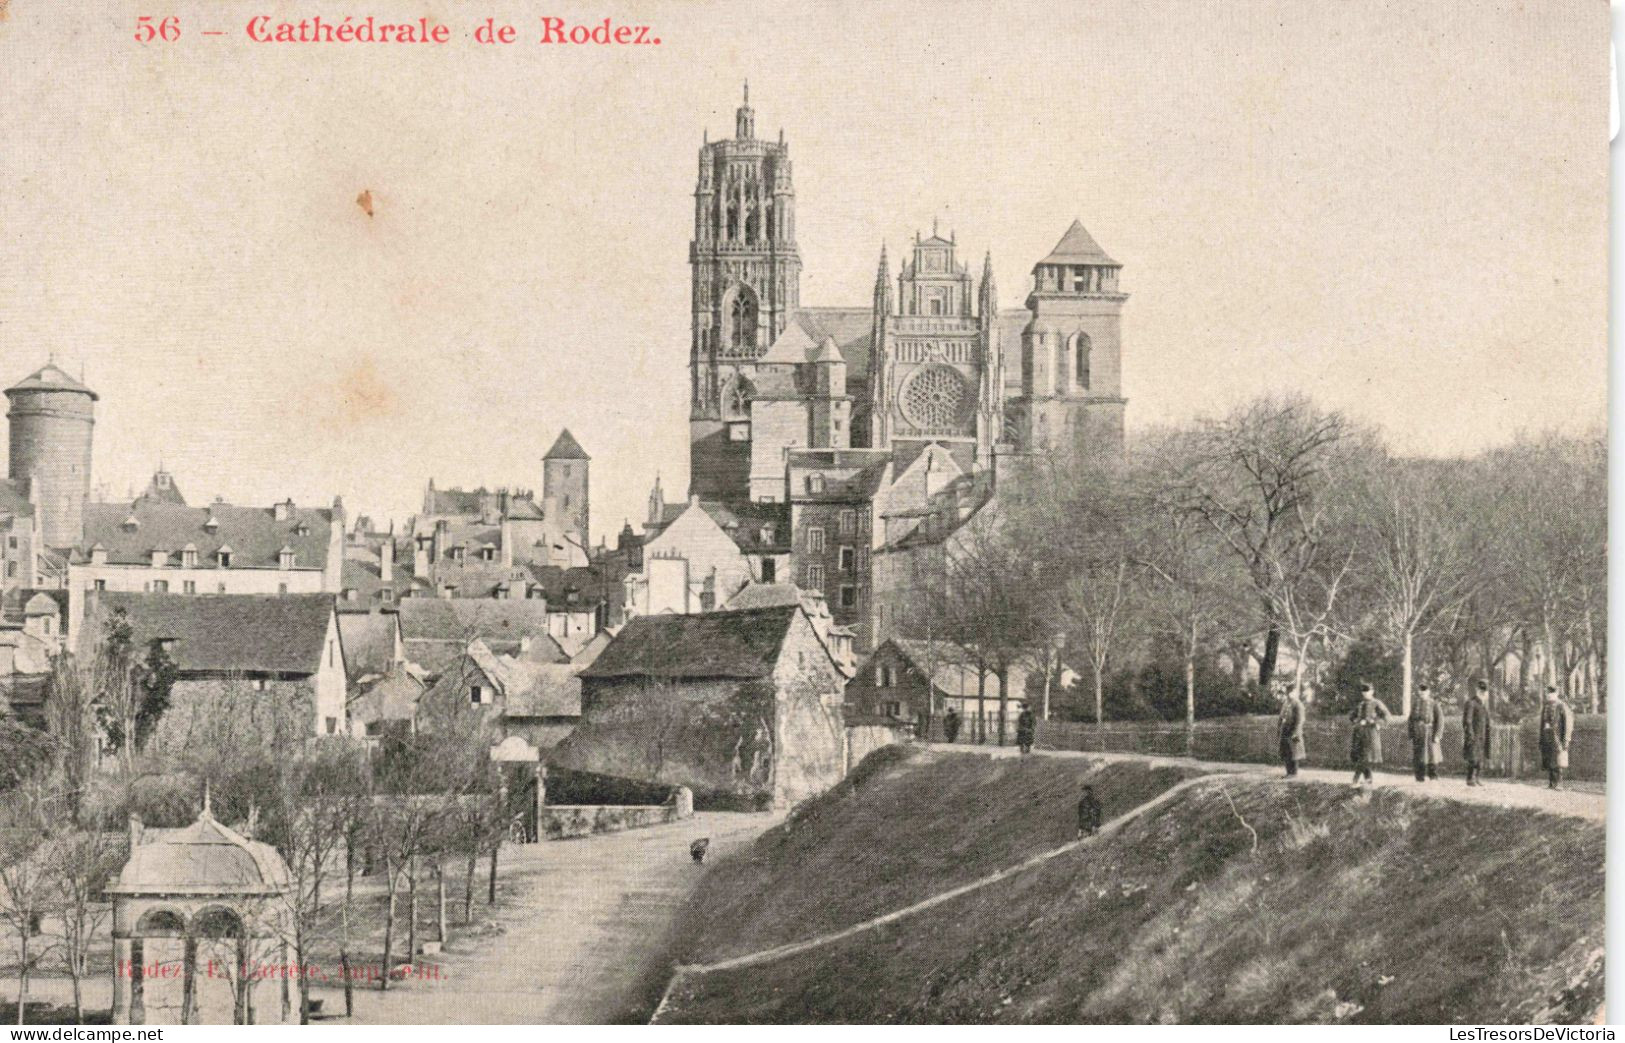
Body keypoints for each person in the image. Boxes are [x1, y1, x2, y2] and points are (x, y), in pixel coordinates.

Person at [1348, 682, 1394, 787]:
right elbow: (1352, 717)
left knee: (1364, 757)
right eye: (1363, 692)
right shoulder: (1360, 704)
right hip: (1359, 734)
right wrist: (1357, 722)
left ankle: (1355, 780)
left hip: (1370, 734)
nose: (1365, 694)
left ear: (1372, 692)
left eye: (1367, 691)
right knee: (1361, 757)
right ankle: (1368, 780)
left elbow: (1387, 717)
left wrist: (1374, 722)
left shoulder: (1377, 703)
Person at [1538, 684, 1574, 790]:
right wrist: (1541, 738)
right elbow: (1542, 723)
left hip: (1557, 737)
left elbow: (1568, 724)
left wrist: (1566, 739)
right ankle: (1551, 782)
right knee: (1549, 759)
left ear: (1556, 694)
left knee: (1558, 759)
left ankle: (1559, 783)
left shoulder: (1562, 706)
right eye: (1548, 693)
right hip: (1546, 736)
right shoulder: (1545, 706)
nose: (1549, 695)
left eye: (1552, 693)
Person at [1407, 682, 1445, 782]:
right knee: (1419, 756)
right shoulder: (1415, 704)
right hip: (1418, 733)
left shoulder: (1434, 704)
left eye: (1425, 691)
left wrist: (1437, 735)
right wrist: (1411, 733)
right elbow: (1410, 719)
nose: (1422, 693)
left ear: (1428, 692)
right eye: (1421, 691)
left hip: (1430, 733)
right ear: (1419, 692)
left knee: (1432, 755)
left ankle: (1433, 776)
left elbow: (1440, 720)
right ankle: (1419, 777)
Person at [1462, 679, 1491, 787]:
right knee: (1473, 758)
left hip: (1483, 736)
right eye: (1481, 690)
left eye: (1485, 691)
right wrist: (1470, 735)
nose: (1483, 693)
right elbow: (1467, 721)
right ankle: (1470, 778)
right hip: (1474, 736)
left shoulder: (1484, 705)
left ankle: (1477, 777)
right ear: (1477, 690)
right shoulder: (1471, 703)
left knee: (1480, 758)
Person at [1277, 681, 1306, 777]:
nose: (1289, 694)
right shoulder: (1286, 703)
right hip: (1285, 731)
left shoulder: (1297, 704)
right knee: (1285, 751)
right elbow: (1281, 717)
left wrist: (1295, 733)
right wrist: (1279, 728)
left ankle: (1294, 773)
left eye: (1291, 692)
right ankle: (1288, 772)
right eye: (1287, 692)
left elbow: (1300, 720)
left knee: (1294, 752)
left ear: (1295, 692)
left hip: (1293, 731)